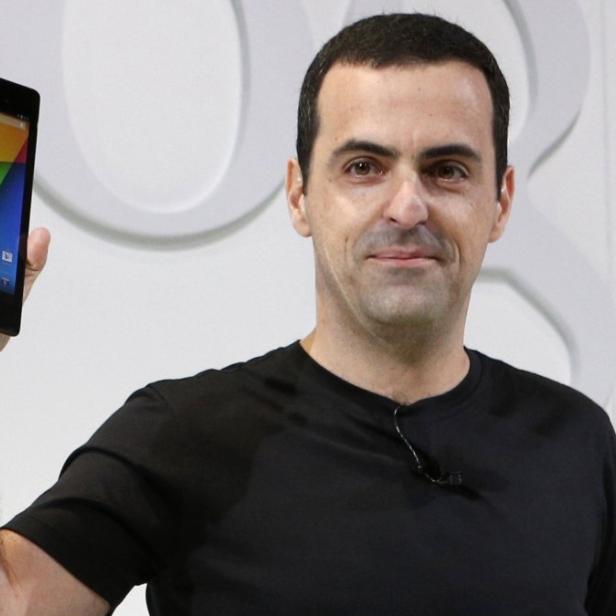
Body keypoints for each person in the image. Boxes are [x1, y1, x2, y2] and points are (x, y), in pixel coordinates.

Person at [1, 12, 615, 616]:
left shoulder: (578, 443)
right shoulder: (184, 433)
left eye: (447, 170)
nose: (407, 206)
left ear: (501, 201)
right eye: (364, 167)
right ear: (300, 195)